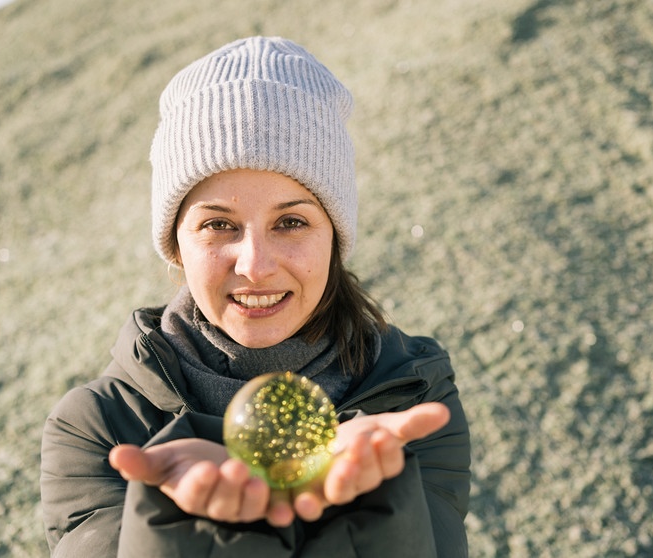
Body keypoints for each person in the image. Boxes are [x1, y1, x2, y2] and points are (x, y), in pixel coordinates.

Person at [40, 36, 471, 557]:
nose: (256, 266)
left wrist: (376, 498)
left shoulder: (409, 394)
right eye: (219, 224)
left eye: (291, 222)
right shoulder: (101, 427)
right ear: (175, 246)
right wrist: (171, 523)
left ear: (334, 237)